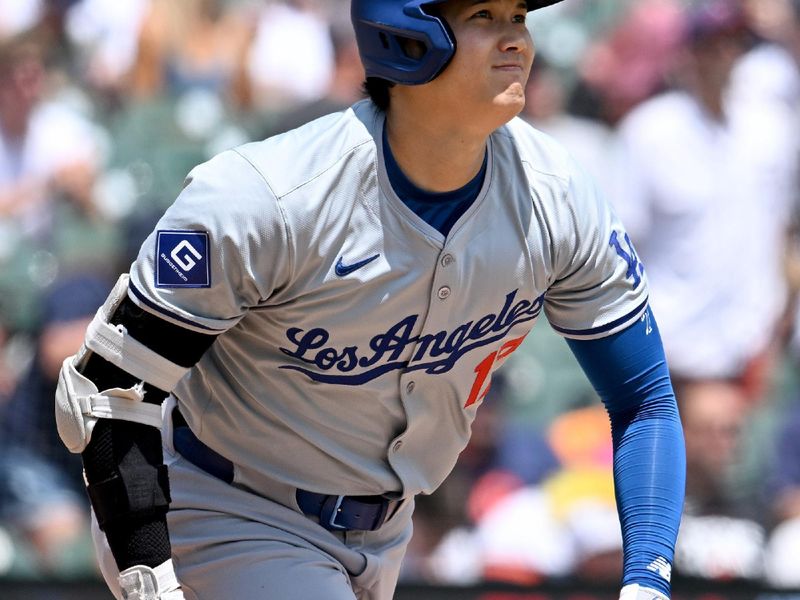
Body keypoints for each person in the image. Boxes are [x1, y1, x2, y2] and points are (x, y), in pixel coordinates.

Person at [54, 1, 685, 599]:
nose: (517, 38)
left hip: (386, 531)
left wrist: (647, 580)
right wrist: (148, 565)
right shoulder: (268, 198)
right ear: (406, 36)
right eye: (484, 16)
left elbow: (646, 401)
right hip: (225, 507)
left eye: (519, 15)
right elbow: (109, 393)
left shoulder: (558, 195)